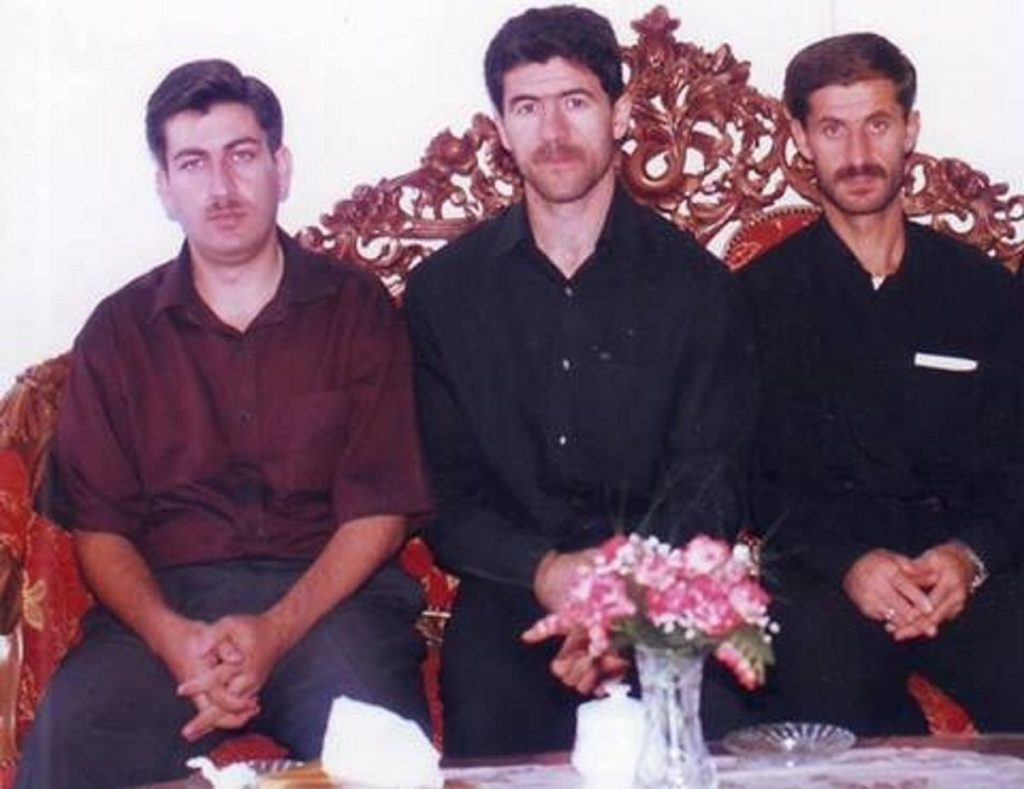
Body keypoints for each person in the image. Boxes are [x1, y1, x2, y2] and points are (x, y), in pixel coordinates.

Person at [15, 59, 433, 788]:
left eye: (241, 155)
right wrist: (174, 639)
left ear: (280, 167)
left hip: (328, 606)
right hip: (167, 614)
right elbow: (100, 530)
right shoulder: (119, 332)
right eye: (193, 162)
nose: (221, 186)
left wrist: (274, 630)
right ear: (164, 186)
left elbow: (380, 511)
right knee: (71, 744)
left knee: (384, 759)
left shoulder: (355, 311)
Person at [404, 5, 756, 757]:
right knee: (487, 710)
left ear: (620, 115)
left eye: (575, 101)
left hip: (662, 589)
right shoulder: (444, 294)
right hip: (516, 589)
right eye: (527, 108)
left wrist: (625, 602)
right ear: (501, 130)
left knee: (713, 723)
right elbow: (443, 489)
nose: (553, 131)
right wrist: (546, 573)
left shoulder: (697, 288)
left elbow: (710, 482)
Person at [739, 33, 1024, 734]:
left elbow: (1018, 458)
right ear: (801, 139)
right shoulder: (756, 299)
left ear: (910, 130)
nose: (859, 154)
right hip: (827, 575)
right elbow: (748, 475)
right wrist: (848, 562)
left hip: (963, 569)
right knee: (825, 692)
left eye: (877, 124)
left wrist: (970, 557)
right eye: (833, 129)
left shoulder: (984, 290)